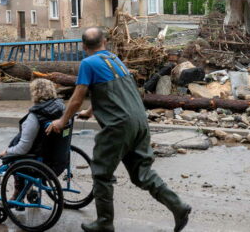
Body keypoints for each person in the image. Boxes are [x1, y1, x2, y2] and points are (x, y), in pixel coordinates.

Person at [46, 27, 192, 232]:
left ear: (83, 46)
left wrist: (62, 121)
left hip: (118, 126)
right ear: (104, 42)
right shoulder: (114, 60)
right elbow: (113, 91)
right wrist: (91, 110)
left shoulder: (88, 63)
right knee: (142, 172)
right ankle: (178, 206)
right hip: (139, 121)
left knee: (101, 172)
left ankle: (104, 223)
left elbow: (77, 97)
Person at [0, 78, 67, 201]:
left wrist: (7, 152)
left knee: (10, 160)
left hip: (40, 162)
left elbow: (23, 148)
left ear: (35, 93)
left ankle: (19, 192)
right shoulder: (61, 108)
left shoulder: (35, 116)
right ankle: (29, 189)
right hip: (59, 159)